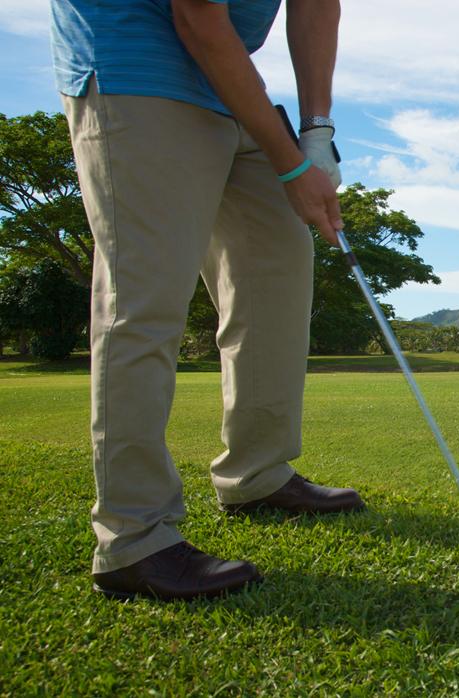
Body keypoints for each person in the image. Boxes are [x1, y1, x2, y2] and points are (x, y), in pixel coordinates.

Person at [51, 0, 366, 602]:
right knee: (143, 299)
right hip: (135, 67)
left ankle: (257, 473)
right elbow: (197, 14)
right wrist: (290, 162)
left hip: (230, 81)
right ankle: (133, 537)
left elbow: (316, 5)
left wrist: (316, 130)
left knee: (277, 271)